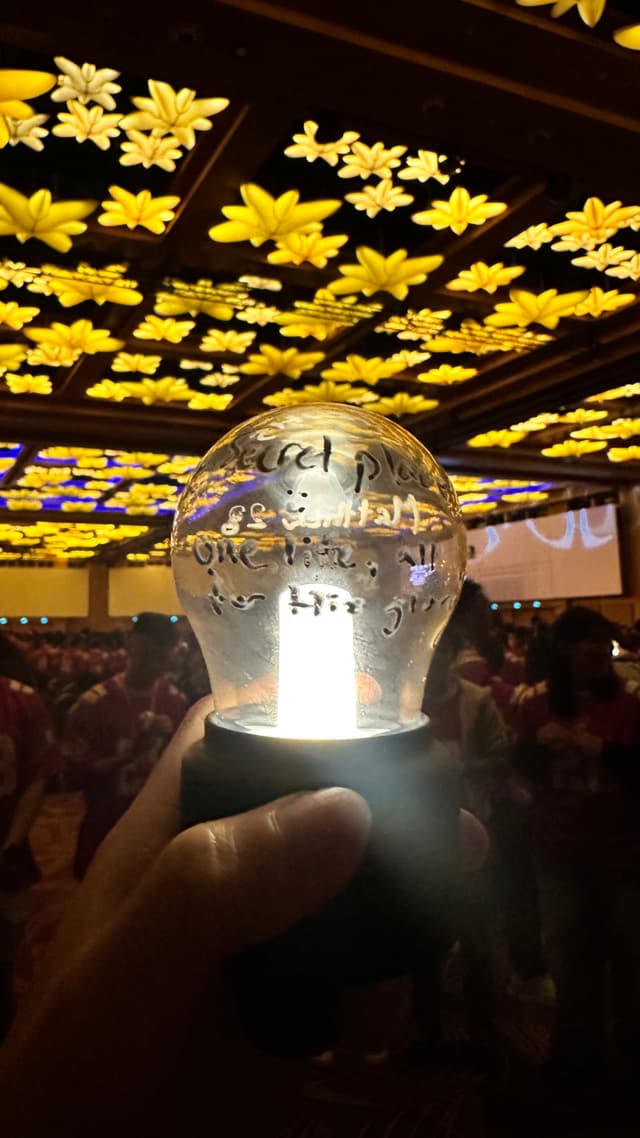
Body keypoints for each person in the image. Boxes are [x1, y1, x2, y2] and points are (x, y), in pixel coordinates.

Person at [512, 606, 640, 1087]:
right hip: (559, 848)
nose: (598, 650)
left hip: (623, 850)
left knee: (631, 959)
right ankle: (576, 1054)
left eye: (601, 640)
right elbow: (518, 769)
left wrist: (601, 750)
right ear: (565, 649)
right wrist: (537, 749)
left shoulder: (630, 702)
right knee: (568, 956)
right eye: (587, 640)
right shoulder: (536, 702)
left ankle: (631, 1057)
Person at [64, 613, 187, 879]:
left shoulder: (175, 702)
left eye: (161, 659)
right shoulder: (93, 704)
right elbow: (73, 777)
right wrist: (128, 756)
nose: (153, 666)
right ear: (131, 645)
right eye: (147, 655)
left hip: (155, 830)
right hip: (105, 824)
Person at [0, 648, 57, 1040]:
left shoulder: (20, 700)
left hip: (5, 846)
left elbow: (36, 776)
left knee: (5, 957)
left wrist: (13, 841)